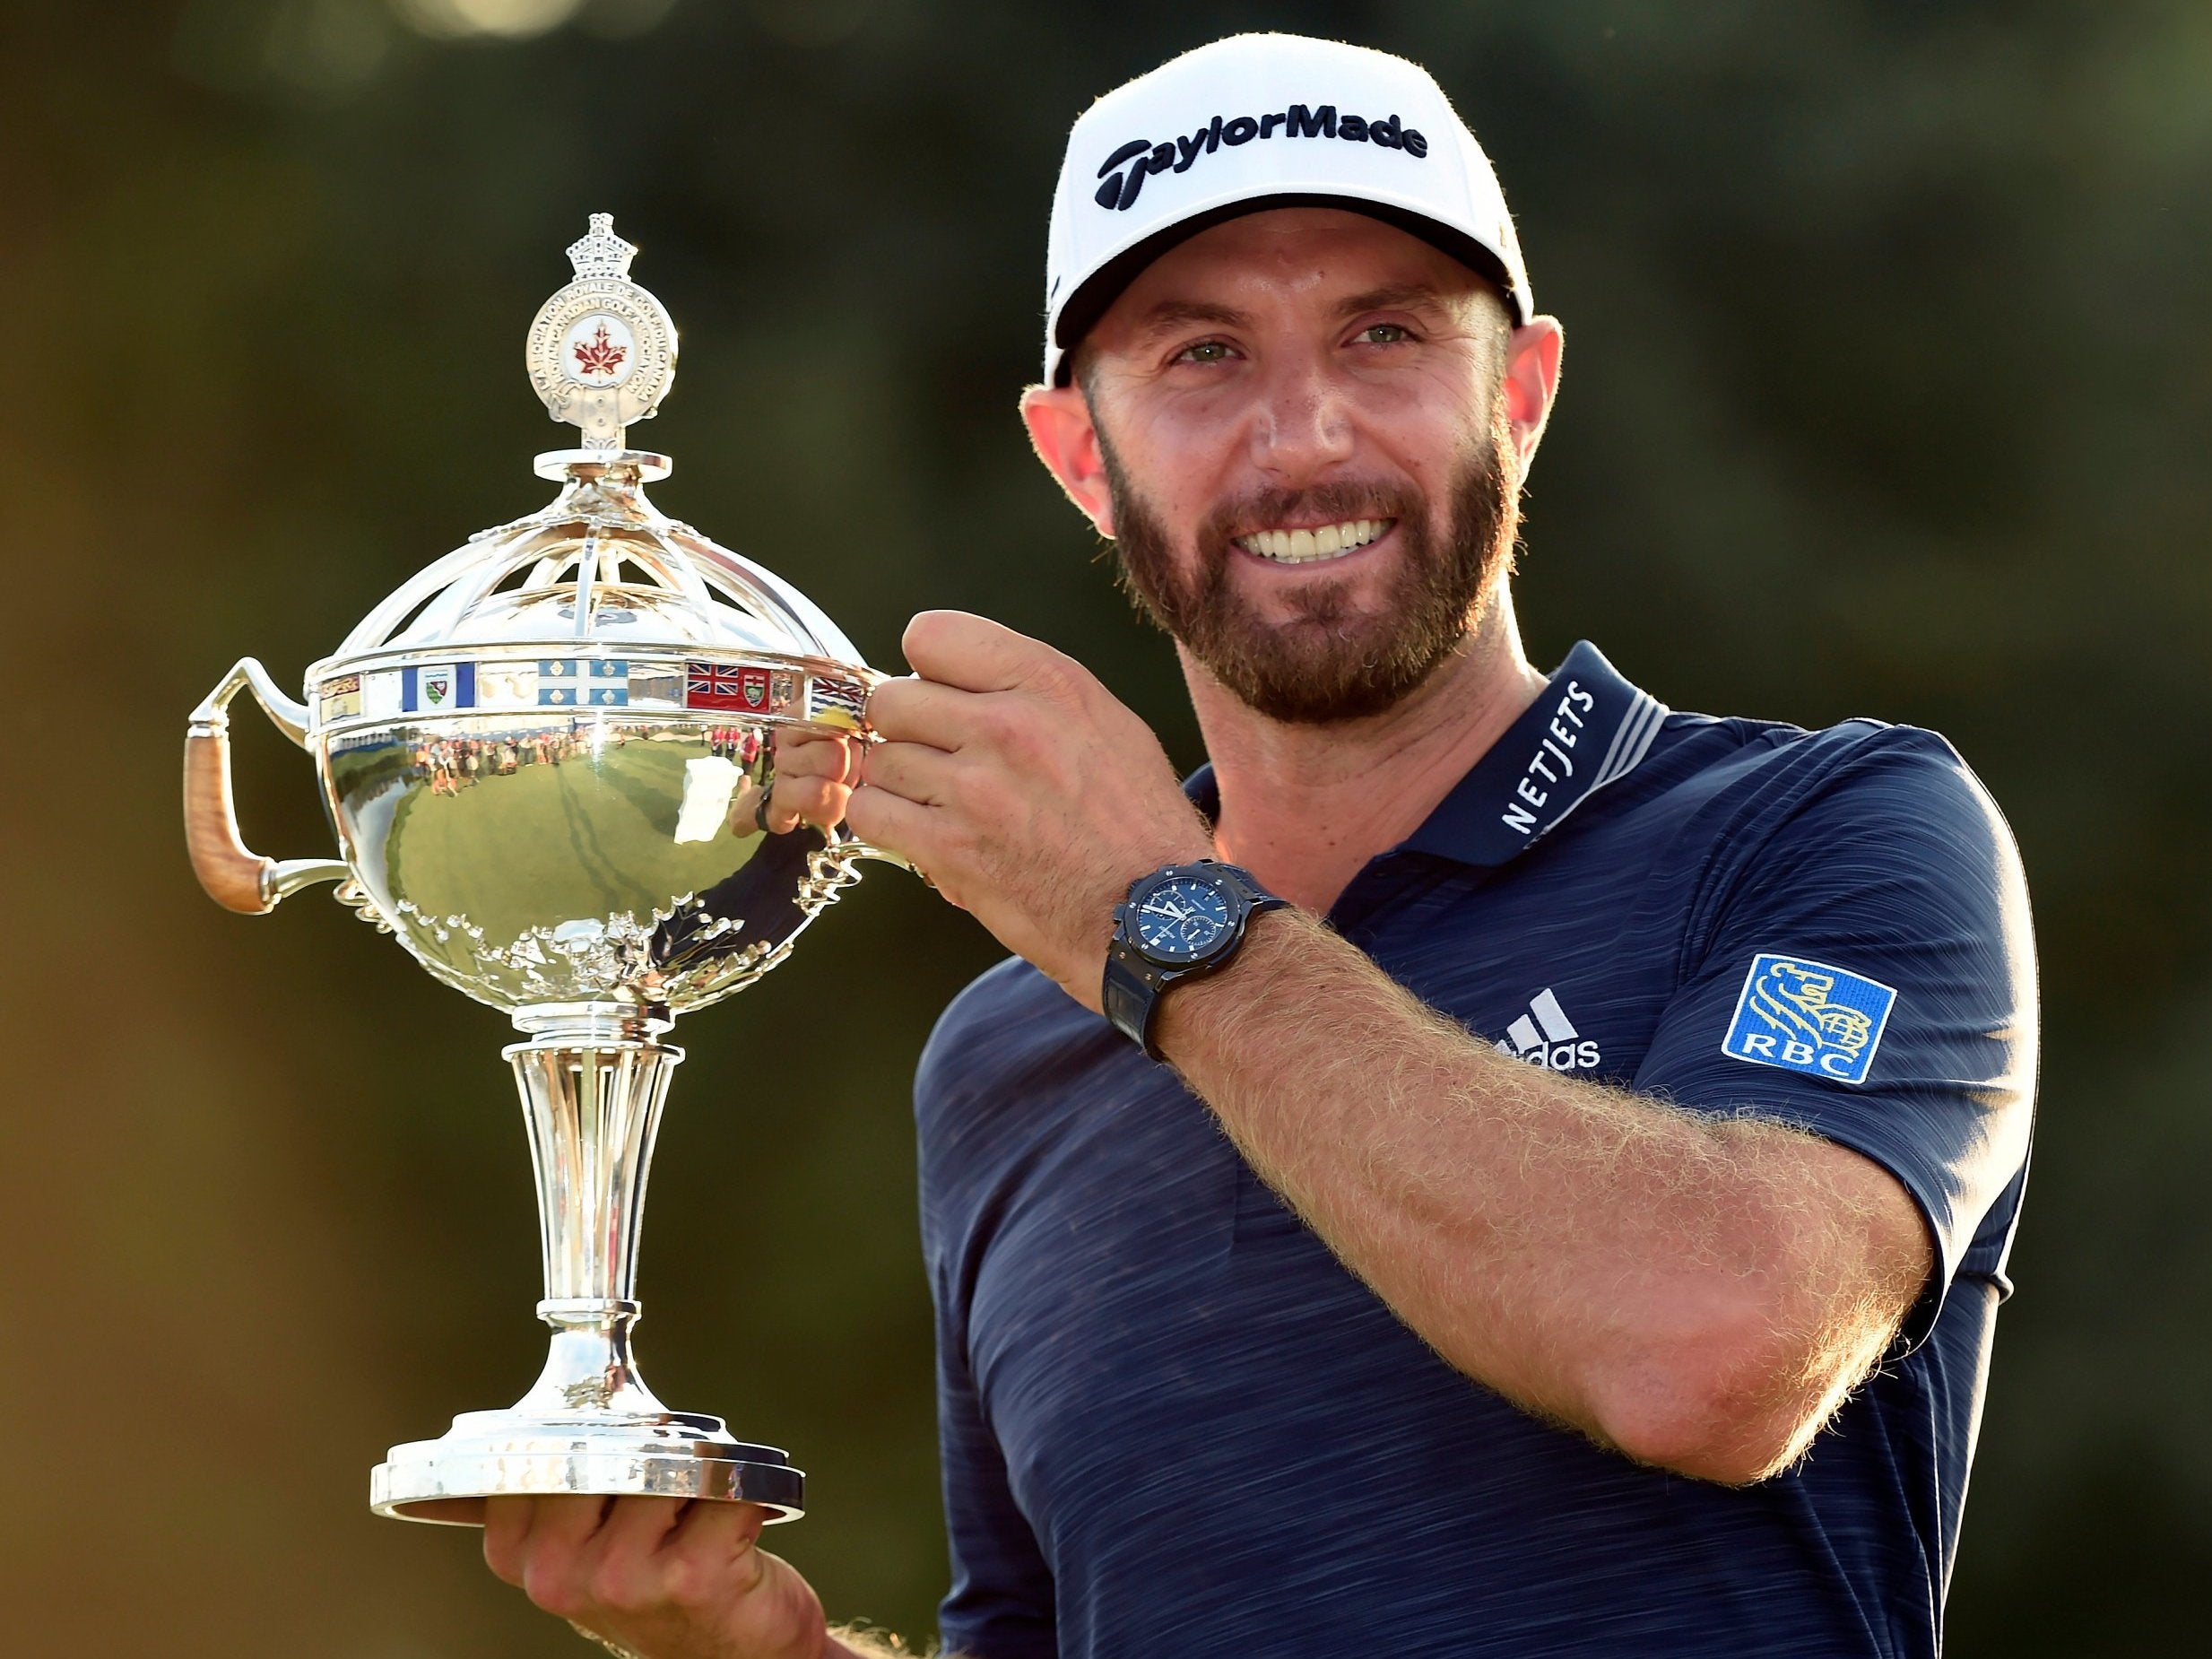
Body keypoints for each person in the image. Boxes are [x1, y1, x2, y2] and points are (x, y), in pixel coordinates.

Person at [481, 33, 2036, 1659]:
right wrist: (762, 1648)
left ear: (1520, 393)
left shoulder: (1829, 831)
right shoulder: (1008, 1049)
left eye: (1383, 335)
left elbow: (1718, 1350)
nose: (1303, 439)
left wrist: (1157, 921)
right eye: (1203, 354)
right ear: (1079, 452)